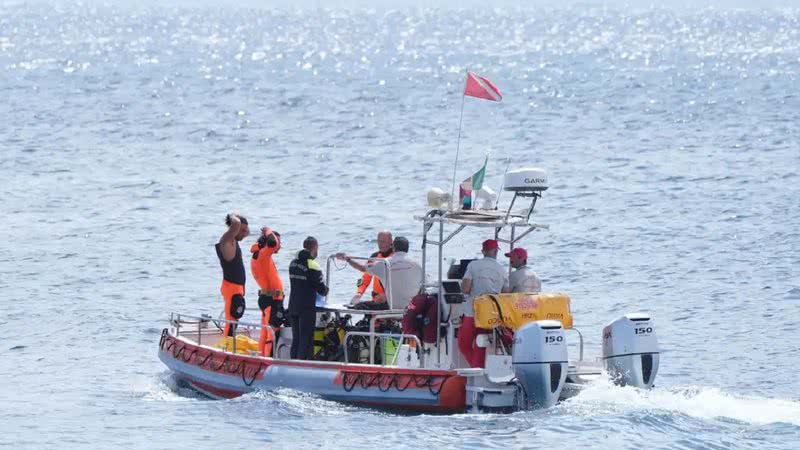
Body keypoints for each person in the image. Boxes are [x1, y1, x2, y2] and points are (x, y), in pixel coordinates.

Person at [458, 239, 509, 368]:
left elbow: (465, 289)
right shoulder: (502, 270)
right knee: (481, 345)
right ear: (496, 251)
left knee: (463, 344)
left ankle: (476, 369)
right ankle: (479, 370)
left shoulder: (473, 266)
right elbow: (506, 294)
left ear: (483, 251)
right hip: (491, 314)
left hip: (472, 312)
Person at [337, 236, 422, 310]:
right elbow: (426, 285)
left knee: (360, 305)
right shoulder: (417, 265)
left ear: (393, 248)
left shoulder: (385, 263)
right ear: (407, 248)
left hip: (390, 307)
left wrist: (347, 258)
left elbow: (362, 268)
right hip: (411, 308)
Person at [288, 236, 329, 360]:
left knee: (296, 338)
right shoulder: (312, 265)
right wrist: (327, 290)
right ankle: (301, 364)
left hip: (293, 304)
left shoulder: (293, 262)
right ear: (314, 248)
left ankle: (292, 363)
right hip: (306, 307)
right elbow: (321, 290)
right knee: (305, 338)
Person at [250, 227, 285, 356]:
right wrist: (268, 231)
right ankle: (268, 360)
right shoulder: (263, 254)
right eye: (279, 242)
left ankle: (261, 356)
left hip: (269, 299)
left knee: (265, 332)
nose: (279, 246)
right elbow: (273, 243)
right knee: (272, 332)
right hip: (272, 300)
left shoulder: (261, 255)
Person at [215, 213, 250, 337]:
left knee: (234, 320)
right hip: (231, 287)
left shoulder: (234, 240)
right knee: (231, 321)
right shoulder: (226, 240)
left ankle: (229, 342)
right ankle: (227, 346)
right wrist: (231, 216)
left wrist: (241, 222)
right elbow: (236, 223)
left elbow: (240, 226)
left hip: (236, 288)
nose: (246, 233)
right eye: (243, 230)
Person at [341, 231, 394, 304]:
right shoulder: (374, 257)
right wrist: (359, 293)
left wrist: (386, 295)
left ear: (391, 241)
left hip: (392, 299)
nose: (380, 244)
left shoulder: (396, 259)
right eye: (378, 241)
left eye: (383, 241)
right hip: (376, 299)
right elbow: (365, 278)